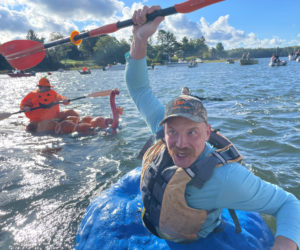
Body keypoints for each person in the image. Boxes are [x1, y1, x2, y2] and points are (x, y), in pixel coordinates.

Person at [125, 5, 300, 249]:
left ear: (207, 133)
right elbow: (138, 87)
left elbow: (289, 203)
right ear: (163, 130)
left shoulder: (226, 178)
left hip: (200, 239)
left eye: (192, 132)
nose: (180, 143)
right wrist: (139, 37)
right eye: (172, 131)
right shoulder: (160, 128)